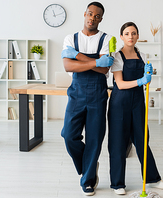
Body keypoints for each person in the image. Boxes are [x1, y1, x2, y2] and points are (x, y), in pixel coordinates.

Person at [107, 22, 163, 195]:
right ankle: (118, 184)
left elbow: (146, 82)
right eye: (127, 33)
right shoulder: (117, 56)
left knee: (143, 141)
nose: (130, 36)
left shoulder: (143, 55)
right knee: (118, 143)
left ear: (137, 36)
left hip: (137, 103)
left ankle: (152, 179)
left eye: (133, 33)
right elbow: (119, 84)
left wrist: (148, 76)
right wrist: (141, 81)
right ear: (121, 36)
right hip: (119, 104)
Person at [60, 1, 114, 196]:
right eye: (90, 14)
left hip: (98, 94)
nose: (92, 18)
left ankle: (88, 180)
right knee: (68, 135)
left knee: (94, 139)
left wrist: (77, 56)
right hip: (76, 93)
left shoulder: (107, 39)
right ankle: (88, 166)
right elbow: (68, 66)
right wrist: (95, 61)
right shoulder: (70, 38)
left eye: (97, 16)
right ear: (84, 14)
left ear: (101, 19)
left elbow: (105, 69)